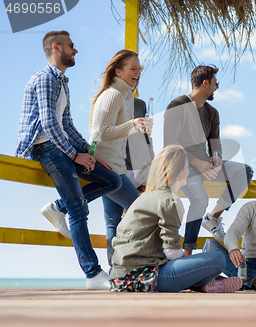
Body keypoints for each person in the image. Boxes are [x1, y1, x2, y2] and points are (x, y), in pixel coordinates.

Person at [15, 31, 123, 289]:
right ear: (56, 48)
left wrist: (88, 151)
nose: (76, 51)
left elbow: (66, 124)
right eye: (71, 46)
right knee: (78, 208)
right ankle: (93, 275)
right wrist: (75, 155)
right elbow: (49, 124)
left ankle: (57, 207)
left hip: (61, 146)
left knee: (112, 180)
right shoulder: (44, 79)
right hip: (45, 147)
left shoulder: (62, 81)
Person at [109, 145, 242, 293]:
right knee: (218, 259)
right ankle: (200, 283)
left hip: (121, 277)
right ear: (178, 172)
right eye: (186, 167)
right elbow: (171, 252)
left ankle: (202, 284)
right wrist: (190, 264)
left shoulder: (150, 195)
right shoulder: (168, 200)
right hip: (143, 277)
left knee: (200, 265)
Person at [163, 64, 253, 255]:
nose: (217, 87)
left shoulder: (213, 113)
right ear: (205, 83)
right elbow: (170, 143)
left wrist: (217, 158)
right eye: (215, 83)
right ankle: (188, 254)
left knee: (245, 171)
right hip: (182, 167)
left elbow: (215, 144)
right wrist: (197, 163)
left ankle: (213, 217)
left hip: (205, 166)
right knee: (200, 199)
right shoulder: (177, 105)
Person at [89, 49, 152, 265]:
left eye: (139, 69)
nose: (138, 73)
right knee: (141, 212)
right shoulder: (113, 95)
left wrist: (136, 129)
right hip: (107, 166)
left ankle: (115, 271)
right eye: (133, 68)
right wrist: (132, 125)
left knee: (113, 221)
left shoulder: (126, 95)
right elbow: (101, 133)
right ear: (118, 71)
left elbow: (119, 135)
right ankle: (138, 265)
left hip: (116, 166)